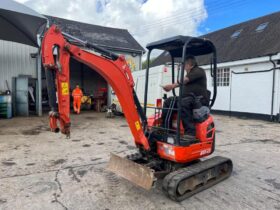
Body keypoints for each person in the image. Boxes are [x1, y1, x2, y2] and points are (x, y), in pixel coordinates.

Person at [161, 55, 209, 138]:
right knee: (168, 101)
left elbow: (185, 80)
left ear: (190, 64)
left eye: (185, 65)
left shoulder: (199, 71)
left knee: (183, 102)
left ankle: (190, 132)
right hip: (188, 99)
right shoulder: (190, 73)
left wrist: (172, 86)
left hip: (198, 100)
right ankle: (166, 128)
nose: (184, 67)